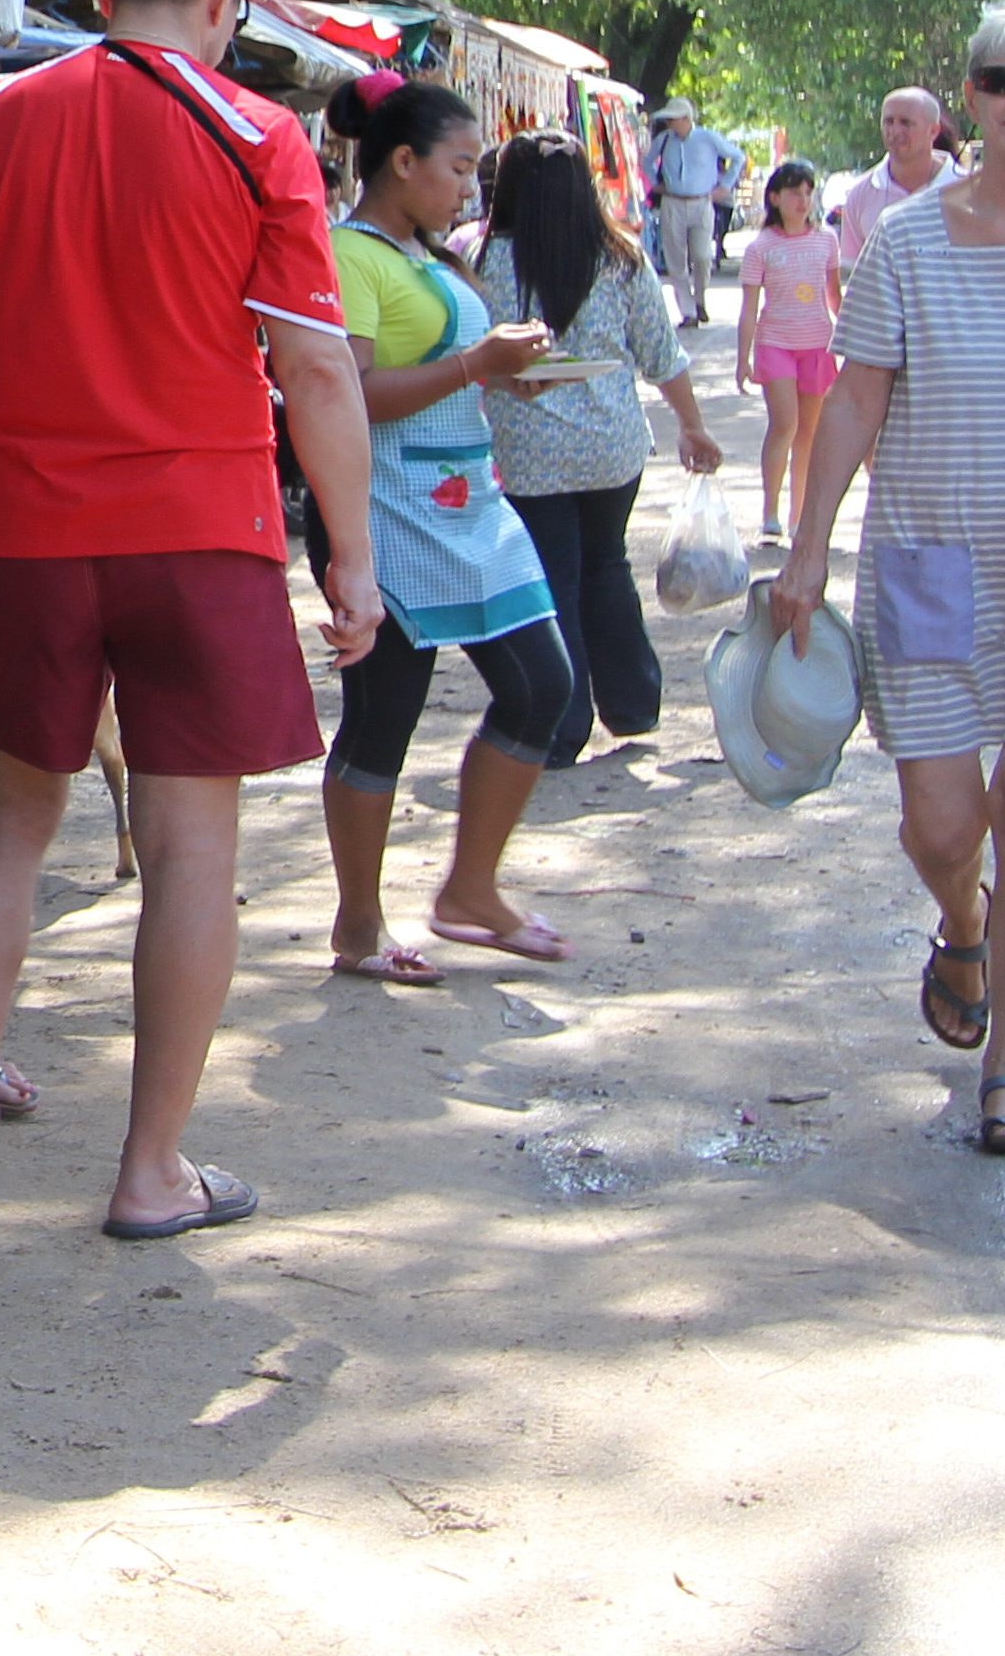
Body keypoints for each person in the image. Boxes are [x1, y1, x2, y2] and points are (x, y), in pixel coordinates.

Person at [0, 0, 380, 1239]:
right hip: (199, 535)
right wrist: (351, 556)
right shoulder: (259, 138)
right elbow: (315, 370)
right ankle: (148, 1173)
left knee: (2, 823)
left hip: (28, 533)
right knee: (184, 851)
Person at [764, 0, 1005, 1157]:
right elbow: (856, 400)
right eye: (1001, 79)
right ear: (967, 100)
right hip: (927, 561)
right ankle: (961, 919)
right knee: (941, 823)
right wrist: (807, 542)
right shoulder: (908, 239)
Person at [316, 74, 581, 983]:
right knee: (382, 719)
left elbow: (441, 373)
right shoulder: (349, 254)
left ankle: (470, 888)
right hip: (387, 512)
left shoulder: (427, 255)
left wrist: (502, 376)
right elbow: (341, 394)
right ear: (402, 162)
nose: (470, 187)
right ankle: (358, 925)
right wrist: (474, 362)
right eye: (460, 167)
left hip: (468, 507)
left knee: (543, 684)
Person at [475, 130, 726, 769]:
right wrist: (691, 425)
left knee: (553, 577)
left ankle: (561, 727)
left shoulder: (487, 261)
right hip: (612, 449)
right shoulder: (623, 259)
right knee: (607, 565)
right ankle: (634, 702)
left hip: (529, 453)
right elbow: (661, 355)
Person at [733, 159, 843, 538]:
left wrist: (852, 340)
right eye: (795, 192)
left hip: (817, 344)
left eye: (808, 192)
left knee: (808, 434)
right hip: (776, 344)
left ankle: (799, 515)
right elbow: (749, 309)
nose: (803, 200)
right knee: (785, 423)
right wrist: (742, 358)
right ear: (775, 198)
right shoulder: (761, 247)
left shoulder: (826, 240)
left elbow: (834, 296)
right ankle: (770, 510)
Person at [828, 85, 957, 266]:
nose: (895, 131)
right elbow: (852, 276)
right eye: (888, 122)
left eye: (905, 122)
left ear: (933, 131)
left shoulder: (967, 188)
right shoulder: (860, 195)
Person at [646, 99, 731, 323]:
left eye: (674, 119)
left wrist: (725, 186)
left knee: (702, 256)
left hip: (702, 202)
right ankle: (688, 311)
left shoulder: (708, 138)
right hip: (672, 202)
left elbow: (737, 157)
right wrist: (655, 183)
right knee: (676, 260)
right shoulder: (664, 140)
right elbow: (646, 162)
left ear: (686, 119)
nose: (671, 124)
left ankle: (700, 298)